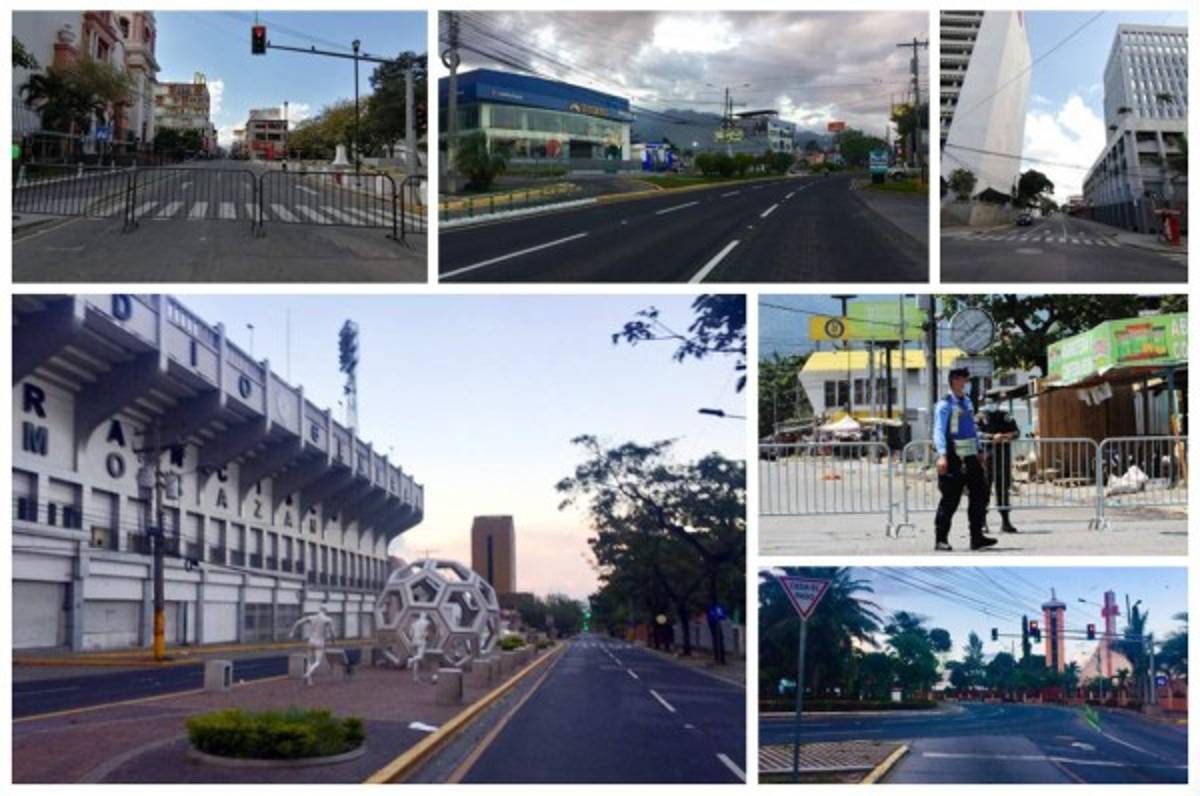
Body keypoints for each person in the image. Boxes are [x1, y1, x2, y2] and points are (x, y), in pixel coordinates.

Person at [933, 368, 996, 551]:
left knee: (979, 494)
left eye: (967, 380)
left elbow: (972, 429)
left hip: (970, 455)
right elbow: (939, 431)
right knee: (950, 499)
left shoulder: (967, 402)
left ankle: (977, 537)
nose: (965, 383)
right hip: (953, 456)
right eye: (963, 379)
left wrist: (979, 449)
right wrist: (942, 455)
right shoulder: (945, 404)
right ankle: (941, 539)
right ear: (954, 380)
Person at [977, 393, 1021, 534]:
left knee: (1003, 490)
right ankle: (982, 522)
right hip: (986, 458)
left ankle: (1006, 522)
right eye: (989, 402)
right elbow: (976, 433)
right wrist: (992, 437)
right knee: (984, 490)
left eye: (994, 402)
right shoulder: (980, 417)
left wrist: (1007, 436)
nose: (991, 405)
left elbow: (1017, 432)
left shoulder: (1005, 416)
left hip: (1003, 458)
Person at [290, 604, 337, 686]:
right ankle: (307, 674)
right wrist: (333, 641)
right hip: (320, 642)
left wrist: (292, 632)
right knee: (317, 662)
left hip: (311, 641)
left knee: (309, 660)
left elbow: (298, 622)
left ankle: (309, 681)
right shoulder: (328, 619)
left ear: (319, 610)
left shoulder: (311, 617)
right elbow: (332, 632)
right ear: (325, 611)